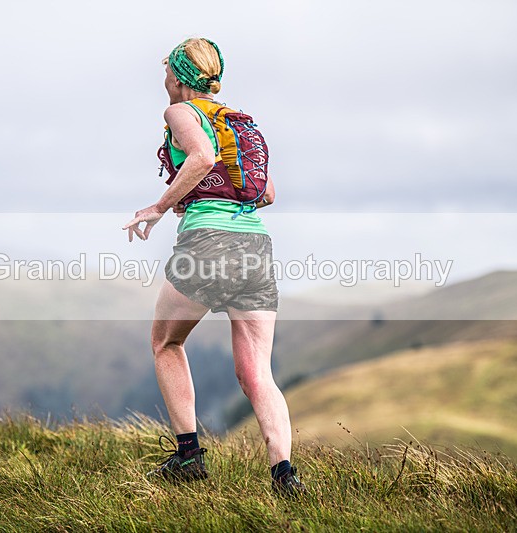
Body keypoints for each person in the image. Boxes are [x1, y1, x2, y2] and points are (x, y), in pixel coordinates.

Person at [123, 37, 304, 495]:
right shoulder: (239, 123)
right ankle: (284, 475)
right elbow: (267, 193)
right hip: (256, 248)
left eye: (166, 73)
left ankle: (188, 457)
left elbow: (202, 157)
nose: (163, 82)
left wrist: (161, 206)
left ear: (180, 78)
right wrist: (205, 193)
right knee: (257, 373)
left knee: (166, 342)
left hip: (210, 245)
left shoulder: (182, 113)